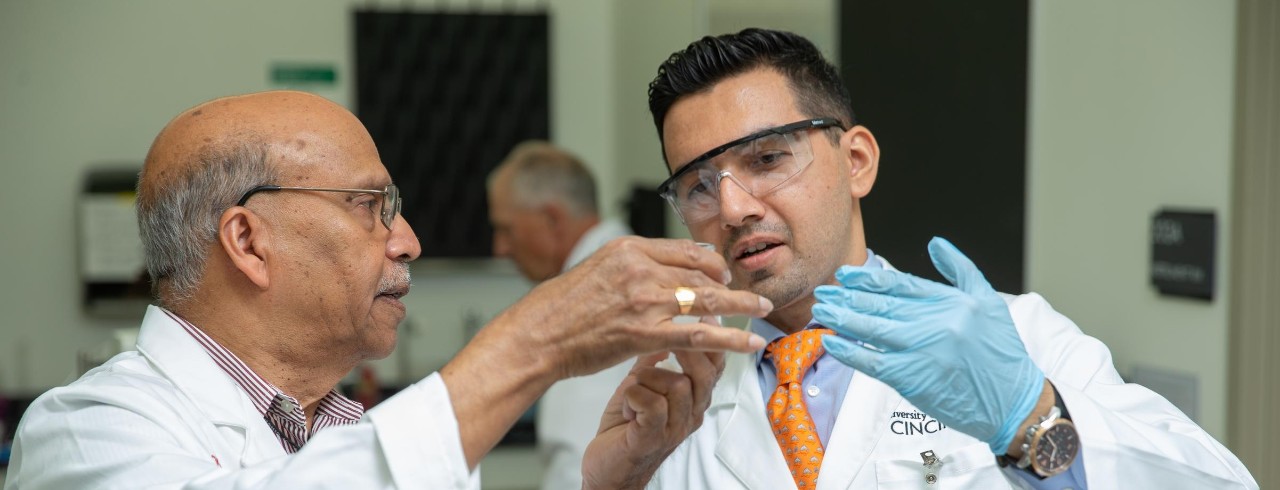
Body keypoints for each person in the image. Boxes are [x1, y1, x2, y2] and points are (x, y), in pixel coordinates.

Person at [581, 29, 1259, 489]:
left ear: (856, 162)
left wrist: (1031, 421)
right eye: (699, 184)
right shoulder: (669, 405)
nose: (731, 209)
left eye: (766, 159)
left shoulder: (1019, 343)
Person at [4, 90, 775, 489]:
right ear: (248, 241)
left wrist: (615, 483)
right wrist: (529, 345)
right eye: (372, 208)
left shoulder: (340, 429)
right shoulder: (85, 435)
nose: (407, 242)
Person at [487, 141, 636, 490]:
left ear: (552, 219)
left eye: (507, 228)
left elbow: (578, 462)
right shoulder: (624, 265)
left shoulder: (596, 292)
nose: (500, 247)